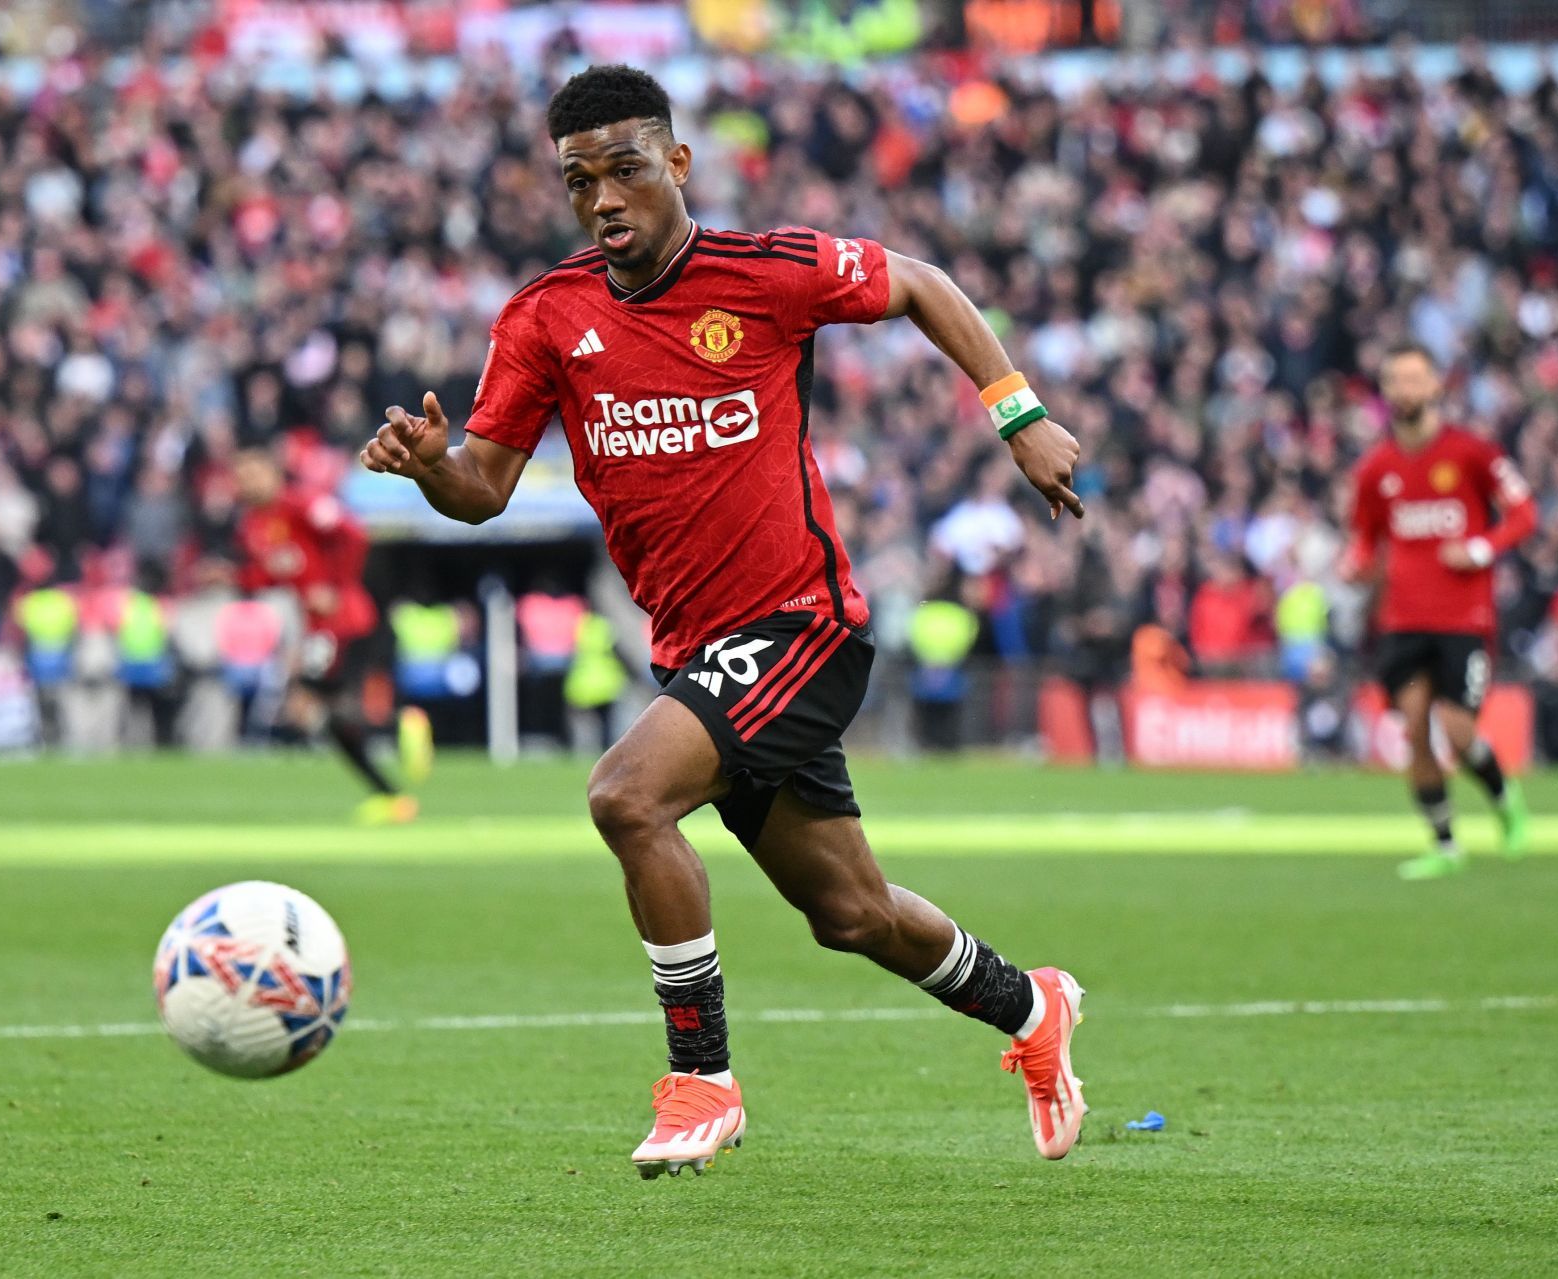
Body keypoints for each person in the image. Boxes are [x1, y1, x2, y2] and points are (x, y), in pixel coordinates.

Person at [361, 66, 1089, 1175]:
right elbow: (486, 487)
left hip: (802, 625)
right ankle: (1030, 1006)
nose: (603, 198)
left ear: (678, 164)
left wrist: (1018, 413)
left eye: (625, 170)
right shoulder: (548, 316)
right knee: (850, 912)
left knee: (625, 795)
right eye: (578, 180)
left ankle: (700, 1080)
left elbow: (922, 283)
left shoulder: (766, 274)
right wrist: (429, 471)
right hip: (700, 654)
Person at [1344, 343, 1538, 880]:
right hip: (1403, 619)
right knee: (1413, 731)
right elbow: (1366, 538)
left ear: (1435, 387)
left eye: (1414, 379)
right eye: (1395, 380)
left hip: (1463, 619)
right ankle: (1446, 844)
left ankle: (1504, 801)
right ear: (1385, 392)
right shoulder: (1375, 468)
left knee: (1456, 730)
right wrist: (1355, 563)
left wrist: (1479, 550)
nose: (1405, 389)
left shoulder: (1473, 452)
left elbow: (1524, 513)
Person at [233, 448, 425, 825]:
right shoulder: (253, 526)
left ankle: (399, 725)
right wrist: (234, 579)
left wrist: (336, 585)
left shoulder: (302, 505)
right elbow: (272, 574)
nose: (248, 483)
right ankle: (392, 795)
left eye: (254, 473)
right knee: (326, 713)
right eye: (242, 477)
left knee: (308, 704)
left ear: (273, 473)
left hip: (343, 619)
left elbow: (353, 534)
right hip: (319, 625)